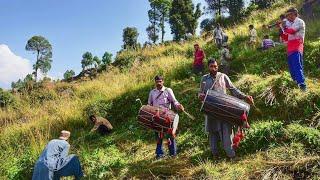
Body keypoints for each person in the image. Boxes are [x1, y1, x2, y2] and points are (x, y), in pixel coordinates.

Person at [198, 59, 254, 159]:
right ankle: (215, 155)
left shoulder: (223, 76)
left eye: (215, 66)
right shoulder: (204, 79)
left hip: (224, 110)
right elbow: (200, 93)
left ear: (217, 66)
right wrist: (200, 96)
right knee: (212, 133)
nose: (214, 68)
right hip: (211, 110)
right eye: (211, 66)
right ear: (208, 67)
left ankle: (231, 155)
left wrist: (245, 97)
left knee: (227, 133)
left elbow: (233, 89)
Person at [148, 75, 184, 159]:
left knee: (170, 135)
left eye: (160, 81)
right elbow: (149, 104)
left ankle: (173, 154)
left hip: (167, 116)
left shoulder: (168, 90)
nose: (158, 83)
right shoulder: (152, 92)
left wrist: (179, 106)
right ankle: (159, 154)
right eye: (157, 82)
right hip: (156, 116)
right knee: (158, 136)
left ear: (163, 81)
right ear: (155, 82)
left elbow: (174, 101)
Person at [280, 7, 307, 91]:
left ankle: (302, 84)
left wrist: (284, 27)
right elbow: (285, 37)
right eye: (287, 15)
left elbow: (292, 31)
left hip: (297, 44)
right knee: (291, 66)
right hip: (290, 46)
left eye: (289, 15)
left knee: (296, 64)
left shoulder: (299, 21)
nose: (287, 17)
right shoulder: (289, 24)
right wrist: (281, 29)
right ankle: (295, 82)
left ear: (294, 14)